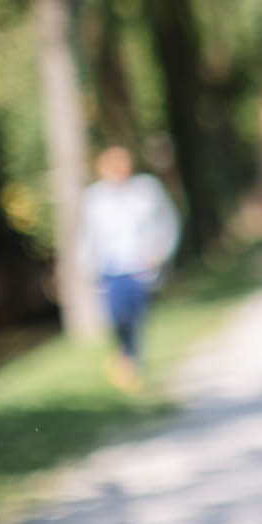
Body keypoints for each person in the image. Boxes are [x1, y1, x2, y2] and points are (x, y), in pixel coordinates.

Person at [76, 145, 181, 392]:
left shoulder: (146, 190)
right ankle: (125, 355)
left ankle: (133, 363)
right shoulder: (94, 199)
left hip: (138, 267)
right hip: (109, 269)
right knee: (116, 318)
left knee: (136, 317)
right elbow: (87, 237)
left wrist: (160, 253)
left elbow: (167, 222)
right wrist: (86, 268)